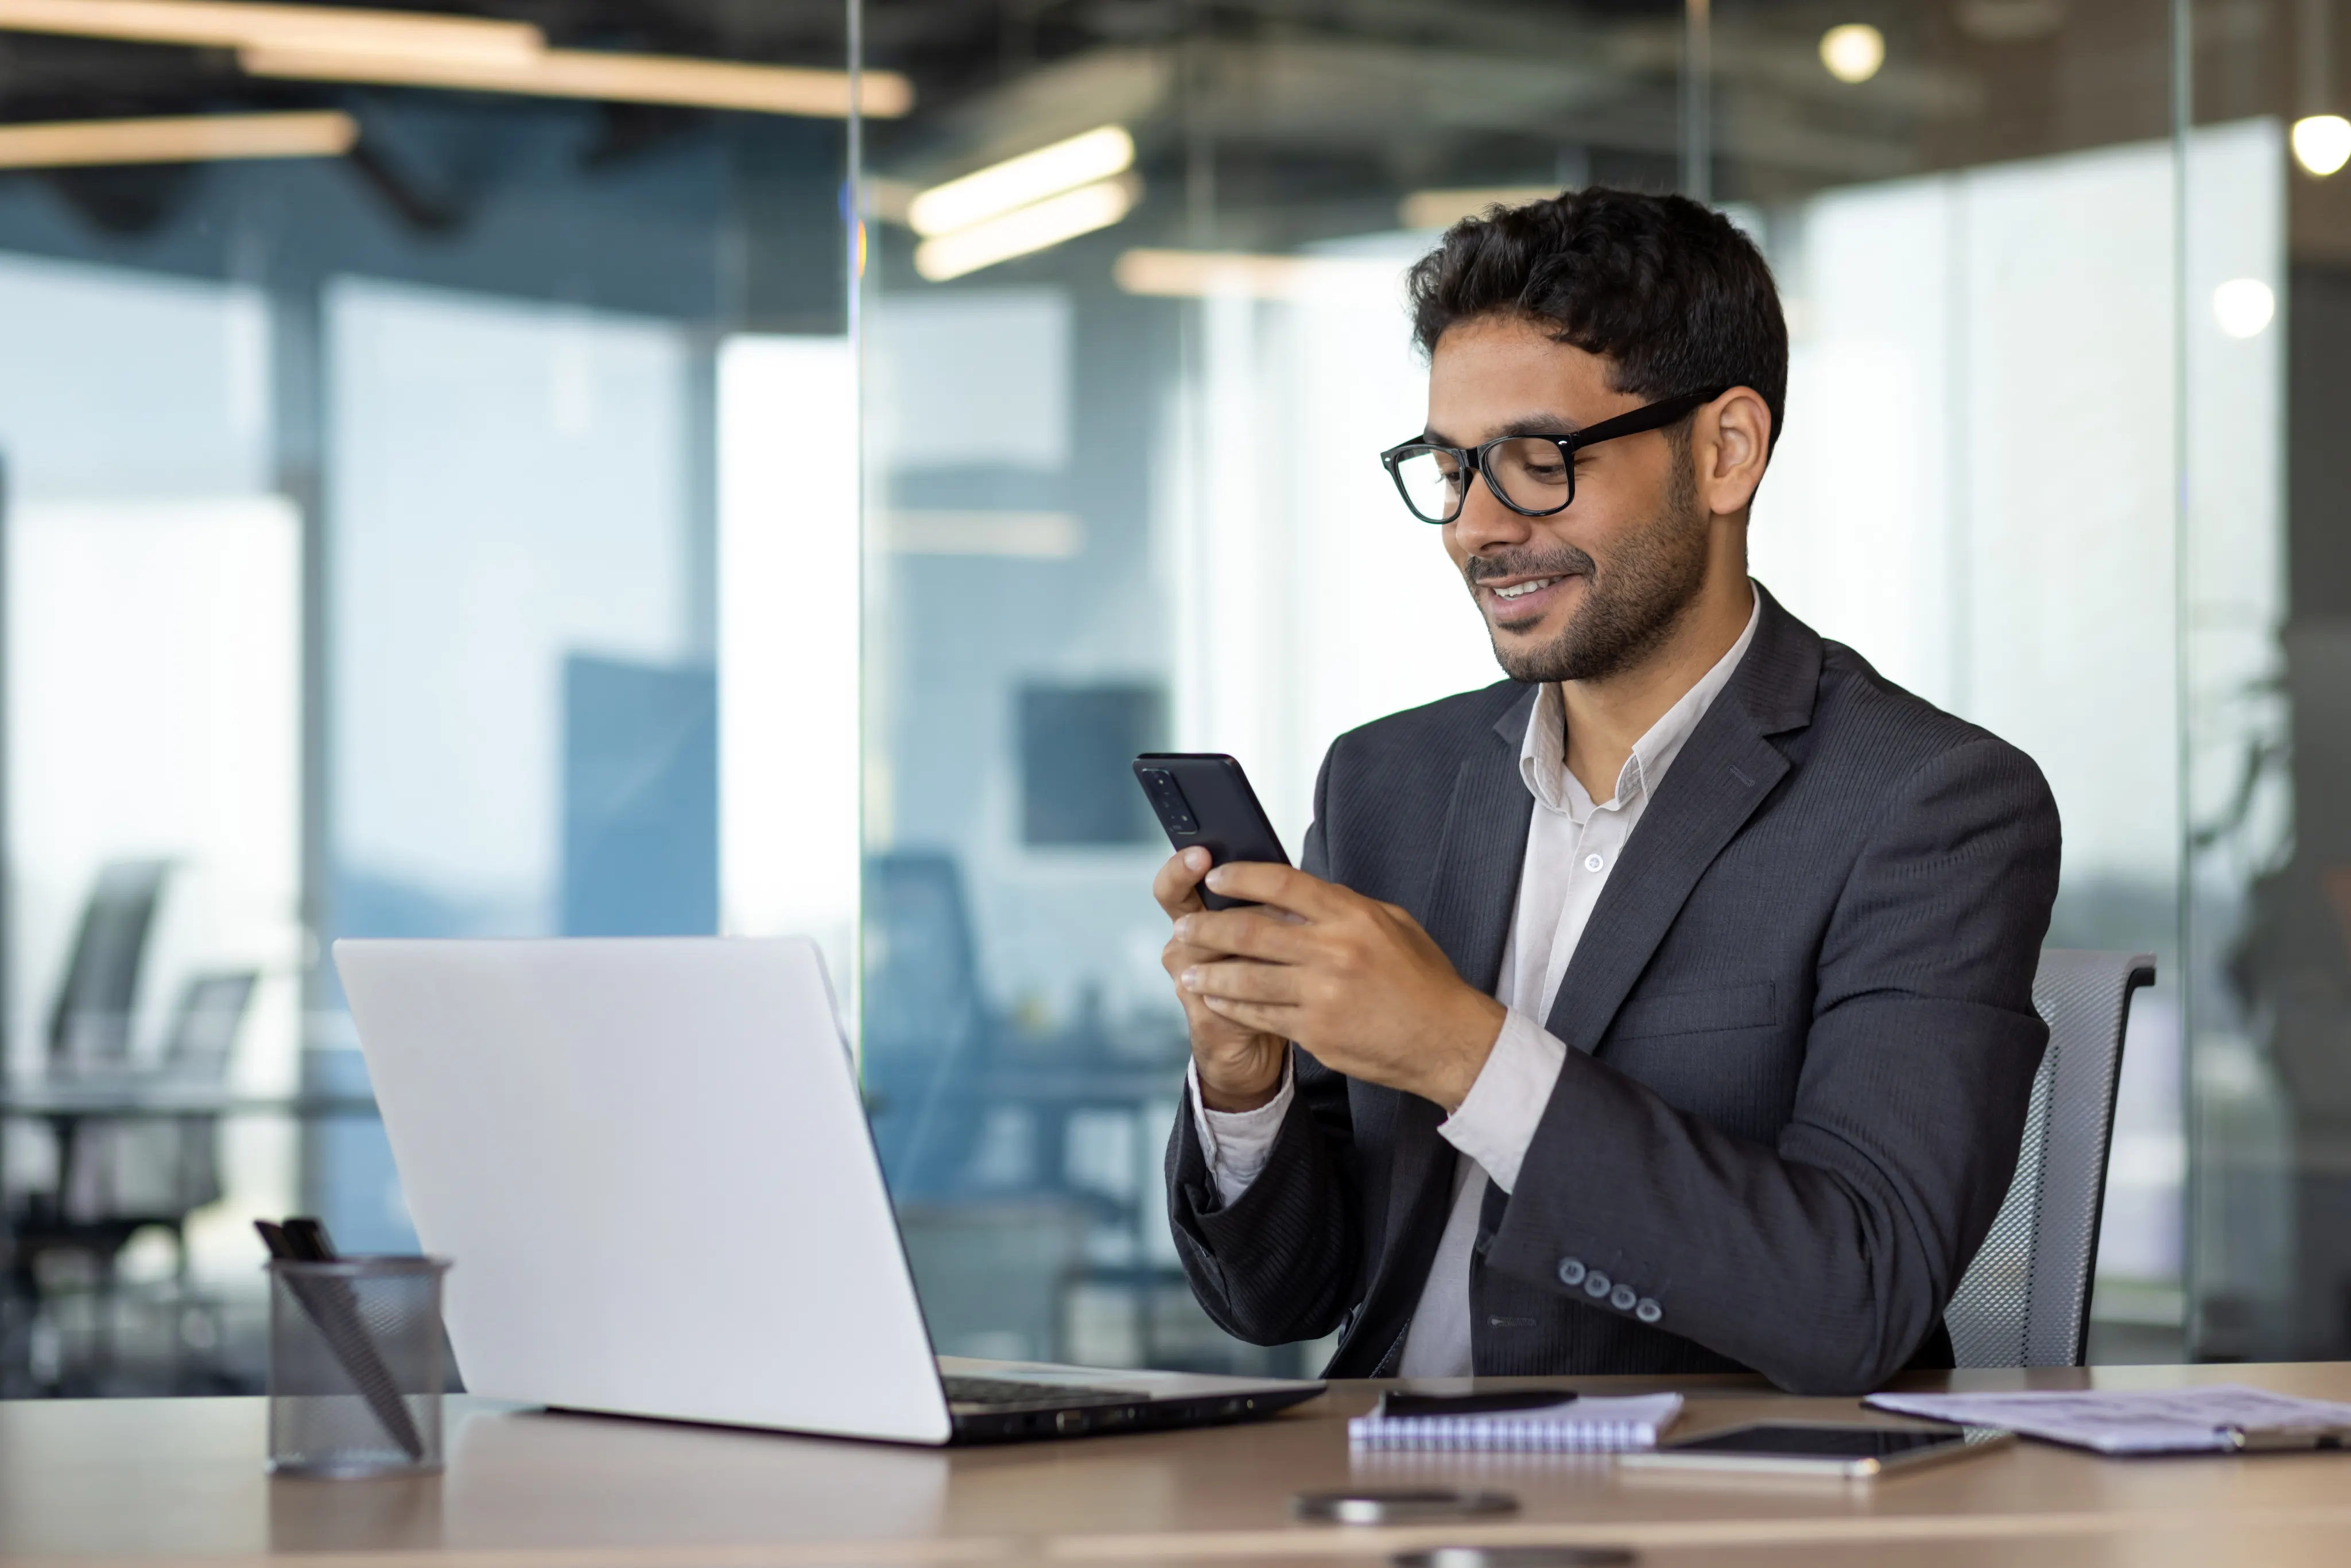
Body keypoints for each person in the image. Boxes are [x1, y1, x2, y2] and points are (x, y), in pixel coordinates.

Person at [1151, 188, 2062, 1395]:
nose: (1473, 528)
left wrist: (1460, 1051)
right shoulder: (1387, 782)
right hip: (1363, 1490)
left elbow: (1857, 1296)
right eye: (1449, 468)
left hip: (1696, 1508)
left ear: (1723, 450)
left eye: (1537, 463)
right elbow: (1281, 1300)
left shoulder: (1928, 805)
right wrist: (1242, 1076)